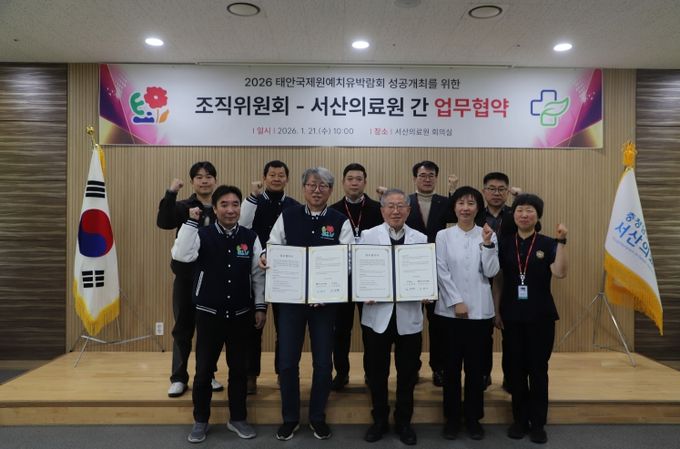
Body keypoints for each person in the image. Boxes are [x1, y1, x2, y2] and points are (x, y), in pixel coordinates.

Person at [261, 167, 354, 441]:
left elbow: (348, 261)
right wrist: (266, 256)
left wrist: (325, 289)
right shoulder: (288, 216)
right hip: (291, 303)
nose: (317, 190)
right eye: (312, 184)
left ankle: (317, 417)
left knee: (323, 363)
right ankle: (290, 418)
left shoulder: (340, 221)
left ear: (331, 190)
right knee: (287, 362)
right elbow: (272, 245)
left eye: (323, 185)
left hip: (325, 304)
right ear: (303, 188)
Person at [172, 185, 266, 443]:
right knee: (203, 371)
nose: (230, 210)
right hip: (208, 314)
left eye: (235, 204)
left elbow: (258, 275)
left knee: (239, 370)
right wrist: (191, 223)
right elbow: (181, 255)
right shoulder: (200, 233)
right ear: (214, 209)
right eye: (224, 205)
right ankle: (200, 420)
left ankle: (238, 418)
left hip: (241, 315)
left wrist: (260, 306)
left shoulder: (250, 237)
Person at [493, 193, 568, 444]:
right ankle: (519, 420)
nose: (524, 215)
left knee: (538, 370)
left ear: (537, 216)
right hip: (511, 315)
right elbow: (498, 279)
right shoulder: (504, 243)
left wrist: (562, 241)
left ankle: (537, 424)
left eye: (529, 211)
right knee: (515, 370)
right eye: (520, 210)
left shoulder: (548, 243)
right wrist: (496, 310)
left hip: (540, 316)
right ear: (513, 215)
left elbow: (560, 273)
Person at [359, 188, 427, 446]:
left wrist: (427, 289)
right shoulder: (368, 236)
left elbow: (426, 273)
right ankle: (379, 420)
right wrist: (363, 289)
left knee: (407, 373)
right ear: (382, 210)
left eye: (401, 206)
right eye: (390, 206)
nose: (396, 211)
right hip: (377, 316)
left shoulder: (421, 239)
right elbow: (357, 269)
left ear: (409, 210)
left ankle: (403, 421)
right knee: (377, 373)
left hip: (408, 316)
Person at [435, 186, 499, 440]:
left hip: (480, 313)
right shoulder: (443, 235)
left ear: (478, 208)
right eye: (460, 203)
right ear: (454, 207)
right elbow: (441, 271)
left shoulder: (488, 234)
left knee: (476, 369)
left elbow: (491, 272)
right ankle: (451, 419)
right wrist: (456, 301)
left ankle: (473, 418)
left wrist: (487, 245)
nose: (465, 208)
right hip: (449, 313)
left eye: (471, 203)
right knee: (451, 369)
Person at [156, 161, 223, 397]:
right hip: (186, 277)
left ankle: (208, 374)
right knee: (182, 329)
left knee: (209, 331)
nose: (204, 181)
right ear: (193, 182)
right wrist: (171, 193)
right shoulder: (184, 206)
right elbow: (164, 222)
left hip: (213, 278)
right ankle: (178, 378)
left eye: (208, 176)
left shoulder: (221, 206)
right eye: (199, 177)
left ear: (215, 180)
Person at [239, 160, 299, 394]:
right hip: (256, 271)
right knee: (253, 326)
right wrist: (252, 197)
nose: (276, 178)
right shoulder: (254, 202)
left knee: (285, 328)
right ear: (264, 178)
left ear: (287, 179)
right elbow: (243, 227)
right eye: (272, 175)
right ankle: (250, 375)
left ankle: (282, 373)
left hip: (285, 273)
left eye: (281, 175)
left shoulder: (294, 206)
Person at [329, 163, 383, 391]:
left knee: (370, 329)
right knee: (340, 330)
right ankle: (341, 373)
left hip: (370, 278)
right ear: (343, 182)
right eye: (350, 179)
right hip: (342, 279)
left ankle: (371, 373)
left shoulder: (378, 209)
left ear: (365, 182)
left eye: (358, 179)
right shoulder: (332, 211)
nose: (354, 183)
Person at [405, 161, 453, 387]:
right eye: (422, 175)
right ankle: (411, 368)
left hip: (438, 269)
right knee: (411, 322)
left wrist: (453, 190)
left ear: (436, 178)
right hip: (411, 269)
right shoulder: (405, 202)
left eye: (431, 175)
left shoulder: (446, 202)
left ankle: (438, 367)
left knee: (438, 324)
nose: (427, 179)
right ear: (415, 178)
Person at [481, 172, 521, 391]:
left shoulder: (516, 213)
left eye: (501, 189)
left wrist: (519, 200)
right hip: (480, 279)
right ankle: (483, 375)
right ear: (484, 191)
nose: (496, 193)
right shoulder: (476, 214)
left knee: (511, 335)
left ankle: (511, 377)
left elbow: (535, 228)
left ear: (507, 192)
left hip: (510, 279)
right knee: (482, 335)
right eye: (492, 189)